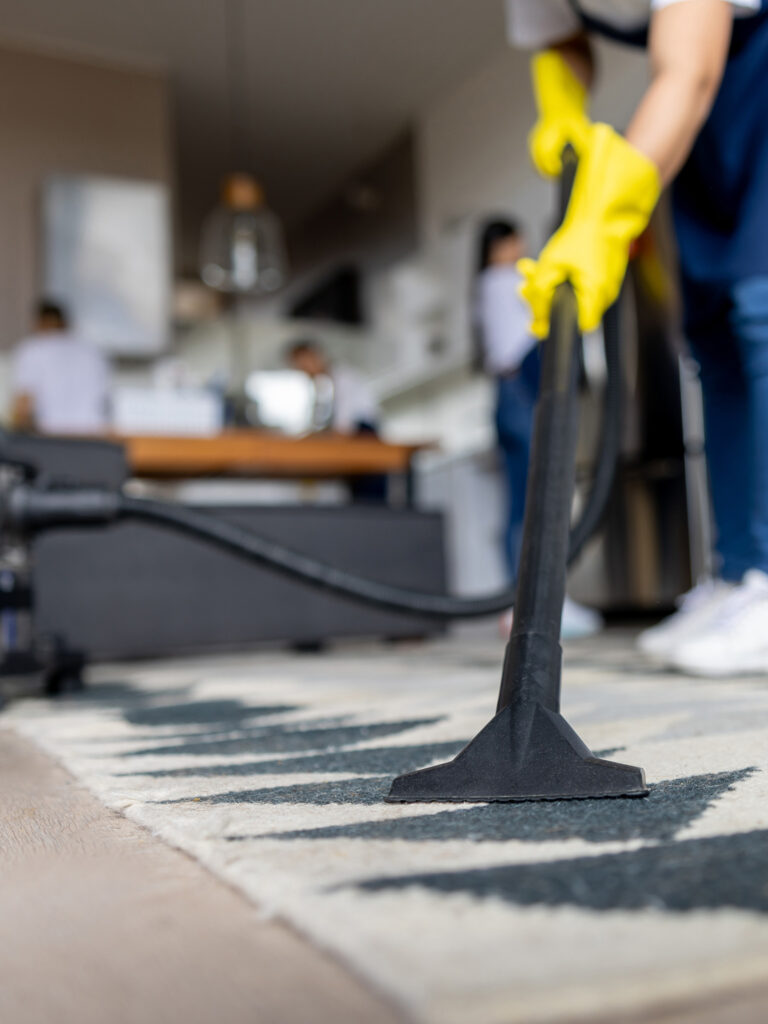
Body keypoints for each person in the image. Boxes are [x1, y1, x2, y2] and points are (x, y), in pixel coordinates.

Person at [506, 0, 768, 676]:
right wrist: (561, 104)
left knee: (760, 316)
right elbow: (561, 39)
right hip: (705, 128)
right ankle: (741, 575)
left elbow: (689, 71)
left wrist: (605, 219)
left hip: (742, 88)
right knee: (711, 337)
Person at [475, 217, 603, 639]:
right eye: (519, 241)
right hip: (524, 396)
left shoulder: (483, 285)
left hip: (504, 397)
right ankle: (544, 607)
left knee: (519, 506)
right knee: (542, 499)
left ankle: (520, 607)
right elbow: (544, 327)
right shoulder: (510, 279)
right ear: (508, 242)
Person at [286, 339, 387, 503]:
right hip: (357, 444)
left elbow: (343, 430)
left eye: (303, 365)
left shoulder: (344, 379)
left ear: (315, 356)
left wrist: (312, 442)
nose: (304, 371)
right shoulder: (327, 386)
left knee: (370, 502)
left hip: (366, 443)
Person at [11, 300, 111, 435]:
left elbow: (23, 405)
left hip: (53, 439)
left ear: (39, 322)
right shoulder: (93, 351)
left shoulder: (33, 349)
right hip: (94, 437)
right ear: (65, 322)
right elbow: (105, 401)